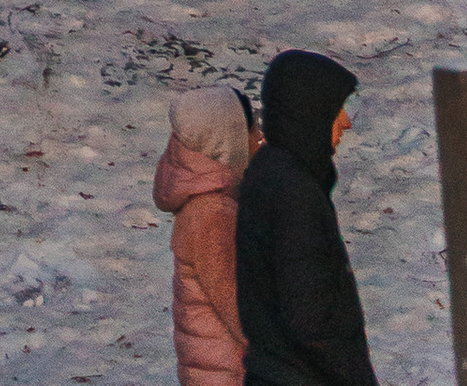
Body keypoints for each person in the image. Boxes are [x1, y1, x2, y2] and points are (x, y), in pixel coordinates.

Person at [237, 49, 377, 386]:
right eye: (336, 110)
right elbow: (313, 318)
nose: (346, 121)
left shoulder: (272, 174)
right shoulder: (293, 192)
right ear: (309, 112)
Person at [155, 83, 254, 384]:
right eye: (249, 129)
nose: (257, 137)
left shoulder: (204, 202)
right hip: (228, 375)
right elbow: (240, 311)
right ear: (226, 140)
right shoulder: (214, 213)